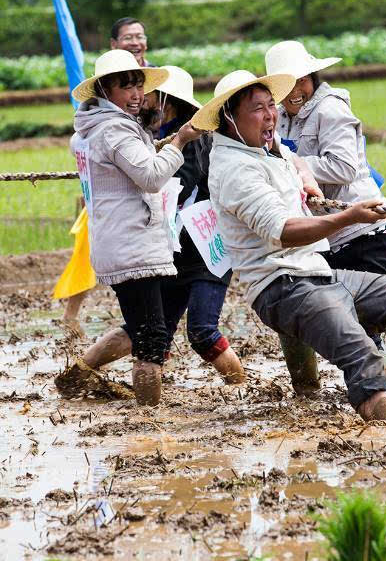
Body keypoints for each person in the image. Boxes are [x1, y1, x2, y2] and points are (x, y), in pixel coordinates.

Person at [195, 69, 386, 422]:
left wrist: (305, 179)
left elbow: (294, 160)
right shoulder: (234, 169)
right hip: (282, 286)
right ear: (229, 119)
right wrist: (349, 216)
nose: (270, 115)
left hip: (316, 272)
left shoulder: (266, 147)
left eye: (270, 105)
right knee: (362, 353)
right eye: (258, 108)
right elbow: (284, 229)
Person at [57, 66, 245, 389]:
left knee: (200, 331)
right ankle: (77, 375)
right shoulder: (140, 135)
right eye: (132, 90)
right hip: (166, 253)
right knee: (145, 330)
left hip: (202, 253)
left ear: (167, 103)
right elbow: (149, 177)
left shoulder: (193, 144)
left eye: (145, 93)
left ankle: (241, 387)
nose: (140, 98)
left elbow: (172, 185)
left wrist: (168, 149)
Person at [264, 40, 386, 396]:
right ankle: (307, 392)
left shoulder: (331, 110)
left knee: (360, 322)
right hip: (325, 234)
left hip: (363, 231)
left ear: (312, 76)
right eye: (284, 85)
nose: (294, 92)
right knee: (310, 316)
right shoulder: (281, 117)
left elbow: (343, 166)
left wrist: (291, 167)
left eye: (300, 81)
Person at [52, 16, 156, 334]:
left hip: (153, 188)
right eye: (128, 37)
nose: (135, 42)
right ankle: (73, 315)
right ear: (114, 44)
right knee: (89, 253)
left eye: (140, 36)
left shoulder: (154, 88)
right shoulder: (105, 115)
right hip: (124, 193)